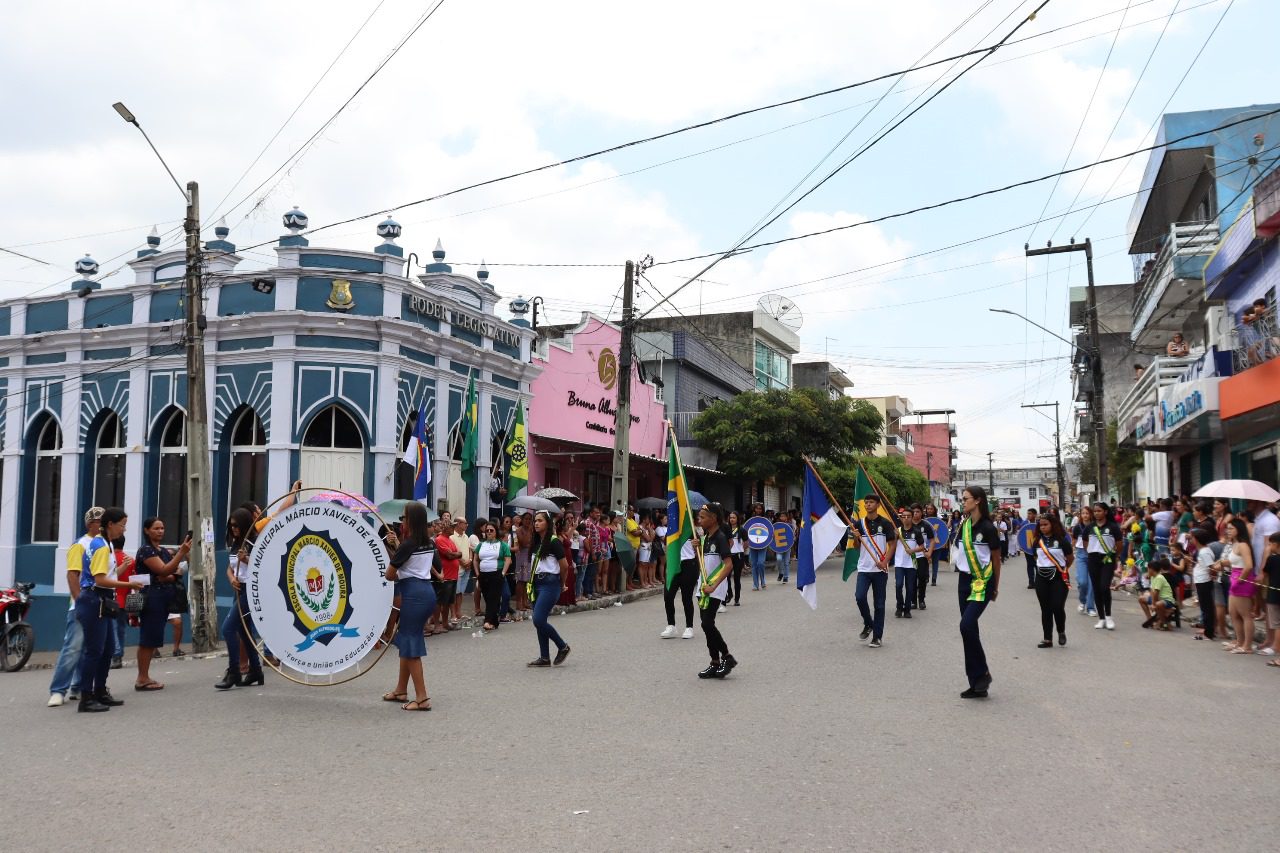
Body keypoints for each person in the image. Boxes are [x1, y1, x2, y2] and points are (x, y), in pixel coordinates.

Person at [74, 507, 143, 712]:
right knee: (95, 650)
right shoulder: (101, 546)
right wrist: (129, 584)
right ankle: (86, 697)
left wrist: (123, 570)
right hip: (94, 599)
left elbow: (108, 574)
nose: (124, 529)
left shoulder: (107, 544)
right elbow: (100, 579)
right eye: (122, 525)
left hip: (102, 598)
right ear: (110, 524)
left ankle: (100, 691)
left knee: (108, 648)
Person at [383, 502, 438, 710]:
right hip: (426, 592)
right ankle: (401, 689)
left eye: (403, 518)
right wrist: (398, 545)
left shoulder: (408, 545)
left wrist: (397, 550)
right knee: (407, 641)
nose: (401, 521)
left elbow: (390, 575)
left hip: (413, 594)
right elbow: (412, 562)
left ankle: (422, 698)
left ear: (411, 520)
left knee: (411, 644)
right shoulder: (428, 543)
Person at [47, 508, 103, 707]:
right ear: (90, 524)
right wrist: (79, 602)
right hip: (83, 604)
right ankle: (58, 690)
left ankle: (78, 686)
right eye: (99, 521)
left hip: (100, 604)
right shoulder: (80, 545)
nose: (102, 525)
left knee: (89, 648)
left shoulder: (105, 544)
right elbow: (72, 575)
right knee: (73, 647)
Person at [132, 518, 191, 691]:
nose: (160, 531)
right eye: (156, 528)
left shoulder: (163, 551)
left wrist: (171, 573)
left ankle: (145, 676)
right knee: (148, 638)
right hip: (152, 598)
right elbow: (164, 570)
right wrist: (179, 555)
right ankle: (142, 678)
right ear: (146, 530)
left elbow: (174, 571)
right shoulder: (146, 550)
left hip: (164, 599)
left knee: (153, 638)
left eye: (162, 528)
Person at [953, 486, 1001, 698]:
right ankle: (976, 683)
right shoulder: (964, 524)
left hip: (983, 581)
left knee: (966, 625)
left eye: (966, 498)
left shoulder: (988, 528)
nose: (963, 502)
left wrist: (995, 586)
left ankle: (983, 674)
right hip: (964, 580)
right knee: (969, 630)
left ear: (978, 500)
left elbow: (996, 559)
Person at [216, 508, 265, 690]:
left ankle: (234, 670)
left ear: (244, 524)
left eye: (236, 525)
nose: (233, 528)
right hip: (239, 589)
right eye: (231, 526)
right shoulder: (236, 543)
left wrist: (246, 560)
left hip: (251, 590)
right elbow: (230, 567)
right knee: (244, 632)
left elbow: (263, 566)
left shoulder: (255, 541)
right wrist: (231, 578)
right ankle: (255, 670)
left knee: (228, 628)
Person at [695, 503, 737, 679]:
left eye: (703, 517)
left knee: (707, 623)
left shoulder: (720, 537)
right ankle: (714, 662)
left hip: (715, 587)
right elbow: (704, 564)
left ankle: (727, 656)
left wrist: (714, 586)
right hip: (703, 586)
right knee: (706, 626)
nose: (699, 520)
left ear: (713, 518)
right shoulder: (705, 538)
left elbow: (728, 564)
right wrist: (697, 549)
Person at [849, 494, 895, 649]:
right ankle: (869, 623)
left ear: (878, 505)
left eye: (871, 502)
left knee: (879, 605)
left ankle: (877, 637)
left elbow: (892, 544)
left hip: (880, 569)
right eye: (866, 502)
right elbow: (856, 547)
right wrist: (856, 538)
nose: (868, 505)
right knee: (860, 597)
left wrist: (885, 561)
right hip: (864, 568)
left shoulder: (886, 523)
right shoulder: (859, 524)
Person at [526, 512, 570, 667]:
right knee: (541, 622)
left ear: (548, 523)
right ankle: (544, 657)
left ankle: (562, 646)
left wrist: (561, 583)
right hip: (536, 584)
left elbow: (565, 566)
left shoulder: (554, 541)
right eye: (535, 521)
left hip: (550, 584)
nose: (536, 523)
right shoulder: (536, 542)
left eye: (540, 521)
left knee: (538, 619)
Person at [1216, 518, 1257, 654]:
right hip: (1234, 577)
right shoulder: (1235, 544)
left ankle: (1247, 646)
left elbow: (1248, 565)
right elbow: (1234, 561)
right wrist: (1222, 563)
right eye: (1227, 528)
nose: (1228, 531)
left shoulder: (1243, 545)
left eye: (1231, 528)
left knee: (1245, 615)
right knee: (1233, 613)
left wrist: (1240, 580)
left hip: (1241, 580)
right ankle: (1239, 642)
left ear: (1239, 529)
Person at [1031, 513, 1071, 648]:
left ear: (1052, 525)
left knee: (1057, 606)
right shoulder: (1037, 541)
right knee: (1045, 608)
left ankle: (1061, 631)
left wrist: (1062, 569)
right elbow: (1035, 557)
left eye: (1045, 524)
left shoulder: (1062, 540)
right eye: (1041, 525)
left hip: (1059, 577)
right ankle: (1047, 639)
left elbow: (1070, 558)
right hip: (1041, 577)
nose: (1042, 527)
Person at [661, 508, 701, 640]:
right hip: (673, 565)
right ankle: (671, 625)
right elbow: (667, 548)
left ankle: (689, 627)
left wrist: (697, 545)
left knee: (686, 598)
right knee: (668, 596)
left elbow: (700, 552)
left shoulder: (692, 532)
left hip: (689, 566)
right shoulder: (671, 531)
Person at [1086, 502, 1122, 631]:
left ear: (1105, 512)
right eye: (1095, 511)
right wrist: (1092, 551)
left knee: (1104, 587)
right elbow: (1085, 542)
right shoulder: (1090, 527)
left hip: (1107, 559)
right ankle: (1101, 618)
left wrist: (1114, 556)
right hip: (1093, 559)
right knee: (1096, 588)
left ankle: (1108, 616)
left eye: (1099, 511)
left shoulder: (1113, 527)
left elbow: (1119, 544)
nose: (1096, 513)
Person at [475, 520, 512, 632]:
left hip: (496, 574)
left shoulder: (502, 545)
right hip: (483, 574)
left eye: (491, 530)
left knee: (493, 597)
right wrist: (477, 573)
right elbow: (475, 559)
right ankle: (494, 622)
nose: (489, 532)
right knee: (487, 598)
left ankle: (487, 621)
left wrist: (503, 573)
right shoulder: (481, 544)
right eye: (487, 530)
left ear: (496, 531)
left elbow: (508, 559)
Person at [430, 520, 461, 634]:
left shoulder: (450, 540)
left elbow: (459, 553)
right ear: (445, 528)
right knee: (440, 601)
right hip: (445, 575)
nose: (453, 528)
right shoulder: (440, 539)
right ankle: (437, 624)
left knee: (448, 601)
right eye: (451, 526)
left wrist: (455, 554)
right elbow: (449, 555)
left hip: (453, 575)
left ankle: (445, 623)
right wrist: (455, 554)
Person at [1189, 527, 1218, 641]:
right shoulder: (1202, 551)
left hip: (1204, 581)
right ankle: (1207, 628)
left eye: (1192, 538)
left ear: (1197, 539)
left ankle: (1209, 632)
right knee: (1204, 606)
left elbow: (1212, 567)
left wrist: (1212, 575)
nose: (1191, 540)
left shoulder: (1205, 552)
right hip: (1201, 580)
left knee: (1207, 607)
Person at [892, 508, 918, 620]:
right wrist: (895, 536)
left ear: (912, 518)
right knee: (898, 585)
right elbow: (892, 546)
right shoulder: (897, 531)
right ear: (901, 518)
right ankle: (899, 607)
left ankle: (907, 610)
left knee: (910, 588)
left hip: (911, 563)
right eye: (904, 516)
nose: (906, 518)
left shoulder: (916, 531)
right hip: (899, 563)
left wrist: (913, 550)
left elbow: (922, 546)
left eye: (908, 516)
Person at [1139, 557, 1178, 630]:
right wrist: (1151, 602)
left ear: (1151, 569)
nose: (1147, 571)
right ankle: (1150, 620)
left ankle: (1164, 623)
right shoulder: (1152, 577)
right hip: (1158, 599)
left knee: (1158, 604)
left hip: (1167, 600)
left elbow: (1156, 593)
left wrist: (1153, 605)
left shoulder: (1159, 577)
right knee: (1141, 599)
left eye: (1148, 569)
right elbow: (1152, 591)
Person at [1259, 532, 1280, 662]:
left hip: (1274, 595)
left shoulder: (1272, 559)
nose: (1269, 546)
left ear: (1276, 544)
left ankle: (1276, 647)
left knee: (1277, 624)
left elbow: (1264, 573)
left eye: (1270, 544)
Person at [449, 517, 474, 624]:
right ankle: (453, 614)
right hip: (457, 568)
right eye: (465, 523)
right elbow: (452, 553)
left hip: (466, 568)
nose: (467, 525)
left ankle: (459, 612)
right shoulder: (451, 537)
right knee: (455, 592)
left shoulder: (466, 536)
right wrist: (463, 562)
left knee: (461, 592)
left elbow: (470, 550)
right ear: (458, 524)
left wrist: (470, 560)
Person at [726, 511, 746, 606]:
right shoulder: (726, 529)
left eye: (734, 517)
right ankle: (729, 593)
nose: (732, 519)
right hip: (728, 556)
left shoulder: (742, 530)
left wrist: (741, 550)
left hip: (738, 556)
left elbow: (746, 543)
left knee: (737, 578)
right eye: (730, 518)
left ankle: (737, 599)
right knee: (726, 577)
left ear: (737, 519)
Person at [747, 503, 768, 591]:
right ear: (754, 509)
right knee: (754, 564)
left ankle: (762, 580)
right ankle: (755, 584)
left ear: (762, 510)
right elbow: (746, 530)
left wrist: (771, 536)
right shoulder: (750, 520)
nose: (758, 510)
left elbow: (770, 531)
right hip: (752, 545)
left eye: (760, 509)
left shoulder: (765, 520)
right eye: (757, 508)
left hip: (763, 545)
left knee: (761, 563)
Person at [1022, 508, 1039, 589]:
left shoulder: (1039, 523)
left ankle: (1038, 582)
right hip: (1027, 548)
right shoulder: (1024, 523)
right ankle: (1031, 582)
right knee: (1030, 565)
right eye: (1028, 513)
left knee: (1037, 565)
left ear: (1035, 515)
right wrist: (1022, 546)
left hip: (1037, 549)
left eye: (1030, 513)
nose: (1028, 515)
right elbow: (1021, 535)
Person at [775, 510, 793, 584]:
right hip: (779, 546)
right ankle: (781, 573)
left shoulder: (790, 526)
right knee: (779, 559)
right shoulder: (776, 525)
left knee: (786, 562)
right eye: (781, 516)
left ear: (787, 517)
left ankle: (786, 577)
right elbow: (773, 535)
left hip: (787, 546)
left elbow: (792, 536)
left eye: (784, 516)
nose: (782, 517)